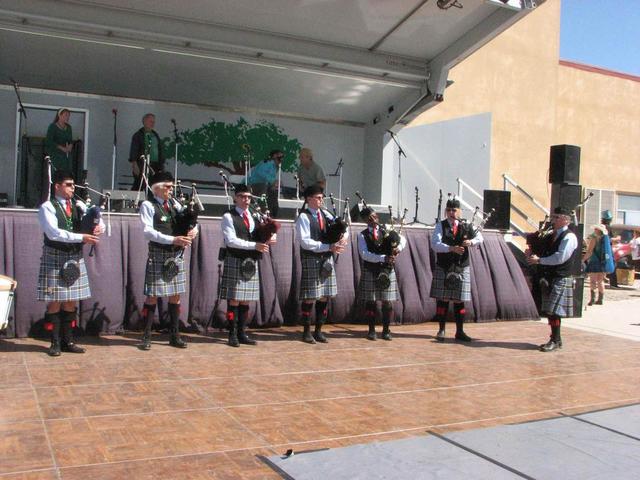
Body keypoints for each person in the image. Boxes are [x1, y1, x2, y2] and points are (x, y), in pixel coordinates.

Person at [37, 170, 103, 356]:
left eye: (73, 185)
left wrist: (98, 227)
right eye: (68, 184)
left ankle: (69, 341)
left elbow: (99, 221)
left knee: (70, 302)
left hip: (74, 257)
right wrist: (81, 236)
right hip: (55, 255)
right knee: (55, 301)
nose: (72, 188)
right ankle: (54, 343)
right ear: (57, 186)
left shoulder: (79, 205)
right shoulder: (47, 207)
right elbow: (53, 233)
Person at [138, 171, 197, 350]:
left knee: (176, 296)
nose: (171, 190)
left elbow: (190, 221)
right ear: (157, 188)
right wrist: (172, 239)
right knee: (152, 296)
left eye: (172, 187)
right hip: (159, 253)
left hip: (176, 254)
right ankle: (146, 336)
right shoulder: (147, 206)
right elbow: (148, 232)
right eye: (168, 187)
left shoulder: (175, 204)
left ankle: (174, 335)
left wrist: (194, 231)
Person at [219, 184, 276, 347]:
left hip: (250, 261)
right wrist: (255, 246)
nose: (246, 200)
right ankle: (232, 334)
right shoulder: (228, 217)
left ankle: (242, 333)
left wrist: (269, 238)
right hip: (235, 258)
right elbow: (231, 241)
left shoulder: (253, 216)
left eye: (249, 197)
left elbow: (261, 233)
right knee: (235, 300)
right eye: (242, 196)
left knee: (246, 300)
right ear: (235, 197)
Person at [295, 185, 348, 343]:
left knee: (324, 296)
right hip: (312, 258)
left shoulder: (325, 214)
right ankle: (306, 331)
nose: (321, 200)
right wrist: (327, 247)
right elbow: (305, 242)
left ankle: (318, 330)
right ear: (308, 199)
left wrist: (343, 237)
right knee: (310, 296)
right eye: (318, 198)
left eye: (321, 197)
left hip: (326, 258)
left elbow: (342, 227)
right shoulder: (303, 217)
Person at [430, 198, 483, 342]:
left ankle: (460, 331)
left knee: (459, 300)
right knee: (444, 299)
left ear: (459, 211)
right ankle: (441, 330)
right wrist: (451, 248)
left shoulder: (466, 225)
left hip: (461, 266)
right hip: (445, 265)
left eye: (454, 210)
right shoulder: (440, 226)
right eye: (449, 210)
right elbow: (435, 244)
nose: (451, 213)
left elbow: (480, 238)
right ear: (445, 211)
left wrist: (471, 242)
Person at [527, 206, 578, 352]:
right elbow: (544, 250)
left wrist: (539, 260)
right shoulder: (552, 235)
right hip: (550, 277)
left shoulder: (569, 237)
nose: (553, 220)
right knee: (551, 310)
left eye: (556, 217)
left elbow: (560, 257)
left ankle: (555, 340)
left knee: (554, 311)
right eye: (553, 217)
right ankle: (557, 339)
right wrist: (532, 252)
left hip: (561, 276)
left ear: (566, 220)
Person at [357, 207, 406, 341]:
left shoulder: (387, 230)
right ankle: (371, 330)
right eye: (370, 219)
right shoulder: (362, 235)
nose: (373, 220)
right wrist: (383, 258)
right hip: (371, 270)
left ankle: (386, 330)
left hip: (387, 270)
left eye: (375, 217)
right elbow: (364, 254)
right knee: (371, 301)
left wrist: (398, 248)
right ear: (365, 221)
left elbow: (402, 240)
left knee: (387, 302)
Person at [129, 113, 165, 191]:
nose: (153, 124)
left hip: (155, 165)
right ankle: (134, 201)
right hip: (142, 164)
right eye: (150, 121)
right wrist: (134, 164)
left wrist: (161, 164)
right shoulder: (138, 135)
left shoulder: (155, 135)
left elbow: (159, 150)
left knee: (154, 184)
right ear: (144, 122)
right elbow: (134, 150)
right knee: (140, 183)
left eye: (153, 122)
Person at [583, 224, 614, 305]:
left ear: (597, 230)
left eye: (595, 229)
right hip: (603, 262)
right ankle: (600, 299)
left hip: (594, 262)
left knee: (592, 280)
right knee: (600, 281)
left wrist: (582, 260)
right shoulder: (605, 240)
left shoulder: (594, 239)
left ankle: (592, 299)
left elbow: (589, 252)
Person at [247, 149, 283, 217]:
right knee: (266, 189)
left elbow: (270, 180)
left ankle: (271, 214)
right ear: (274, 156)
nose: (281, 159)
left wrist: (274, 184)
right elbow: (260, 172)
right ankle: (263, 212)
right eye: (280, 157)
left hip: (263, 185)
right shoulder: (267, 162)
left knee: (273, 191)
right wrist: (273, 181)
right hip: (253, 185)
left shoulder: (275, 167)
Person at [45, 108, 74, 173]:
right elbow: (49, 141)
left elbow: (70, 140)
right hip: (54, 154)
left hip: (64, 155)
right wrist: (61, 147)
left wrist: (70, 145)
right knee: (55, 173)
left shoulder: (69, 127)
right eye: (65, 115)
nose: (67, 117)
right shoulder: (52, 127)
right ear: (59, 115)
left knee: (66, 172)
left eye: (68, 116)